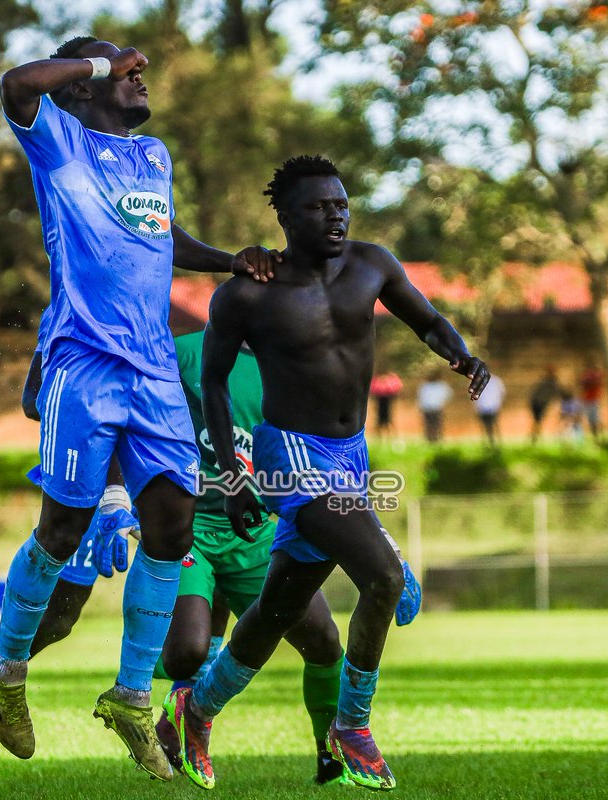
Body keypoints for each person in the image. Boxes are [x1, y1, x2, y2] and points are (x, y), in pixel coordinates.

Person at [0, 35, 277, 783]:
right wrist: (103, 59)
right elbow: (16, 82)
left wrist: (230, 259)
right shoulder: (60, 140)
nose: (138, 75)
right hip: (84, 365)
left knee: (173, 526)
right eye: (119, 72)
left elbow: (161, 236)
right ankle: (1, 677)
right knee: (59, 534)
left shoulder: (153, 157)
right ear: (82, 88)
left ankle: (129, 697)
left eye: (134, 68)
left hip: (154, 369)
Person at [0, 332, 395, 786]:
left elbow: (331, 456)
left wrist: (371, 531)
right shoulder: (170, 344)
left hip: (247, 530)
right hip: (141, 505)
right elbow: (73, 405)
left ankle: (321, 756)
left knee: (315, 638)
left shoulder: (300, 368)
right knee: (70, 620)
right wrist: (116, 492)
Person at [165, 155, 488, 792]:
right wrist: (233, 480)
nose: (335, 215)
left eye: (341, 204)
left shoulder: (373, 264)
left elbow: (425, 320)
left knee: (275, 610)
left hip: (352, 454)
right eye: (318, 207)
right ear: (285, 218)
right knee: (385, 578)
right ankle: (353, 724)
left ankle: (195, 711)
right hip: (291, 458)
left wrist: (461, 354)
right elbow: (214, 385)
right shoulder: (248, 292)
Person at [529, 366, 563, 443]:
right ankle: (534, 437)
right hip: (539, 402)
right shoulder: (550, 381)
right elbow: (556, 392)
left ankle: (535, 437)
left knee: (537, 420)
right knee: (538, 420)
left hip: (538, 402)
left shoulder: (546, 381)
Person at [416, 371, 452, 443]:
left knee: (437, 424)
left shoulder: (440, 385)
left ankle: (437, 438)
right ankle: (430, 439)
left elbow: (448, 395)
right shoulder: (425, 386)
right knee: (429, 424)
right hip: (428, 409)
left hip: (436, 408)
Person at [368, 372, 403, 438]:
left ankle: (390, 436)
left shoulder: (387, 388)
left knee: (388, 421)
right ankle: (379, 436)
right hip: (381, 407)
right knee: (380, 422)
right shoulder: (380, 387)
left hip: (386, 407)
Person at [474, 374, 505, 444]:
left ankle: (494, 441)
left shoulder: (495, 380)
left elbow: (501, 393)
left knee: (492, 425)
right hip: (485, 407)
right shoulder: (495, 380)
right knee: (486, 426)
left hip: (492, 407)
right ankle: (489, 441)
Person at [578, 360, 604, 441]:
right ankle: (595, 437)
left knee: (596, 419)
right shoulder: (585, 376)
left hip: (595, 400)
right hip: (587, 400)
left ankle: (600, 437)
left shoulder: (596, 375)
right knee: (591, 420)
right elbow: (581, 383)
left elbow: (596, 381)